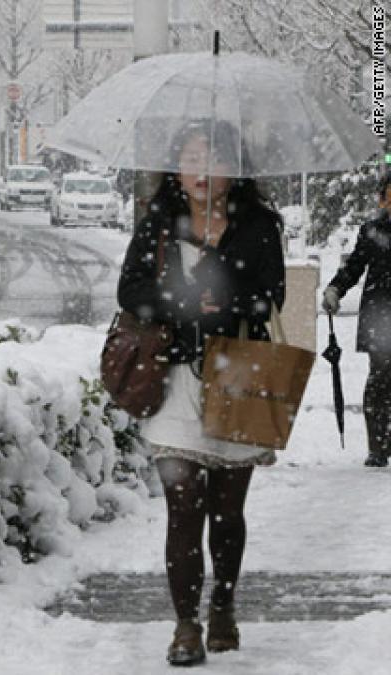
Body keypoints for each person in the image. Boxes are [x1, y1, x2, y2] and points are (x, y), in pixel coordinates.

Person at [117, 120, 286, 666]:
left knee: (227, 511)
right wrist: (177, 305)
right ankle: (186, 625)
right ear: (177, 167)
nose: (202, 171)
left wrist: (228, 304)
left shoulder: (259, 225)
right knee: (184, 507)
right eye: (192, 158)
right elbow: (130, 290)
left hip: (238, 373)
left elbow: (271, 296)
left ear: (234, 170)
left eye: (214, 159)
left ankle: (224, 606)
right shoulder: (159, 223)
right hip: (177, 378)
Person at [321, 172, 391, 467]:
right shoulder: (372, 230)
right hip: (381, 316)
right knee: (379, 380)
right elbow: (354, 267)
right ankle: (378, 445)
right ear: (382, 199)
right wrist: (335, 289)